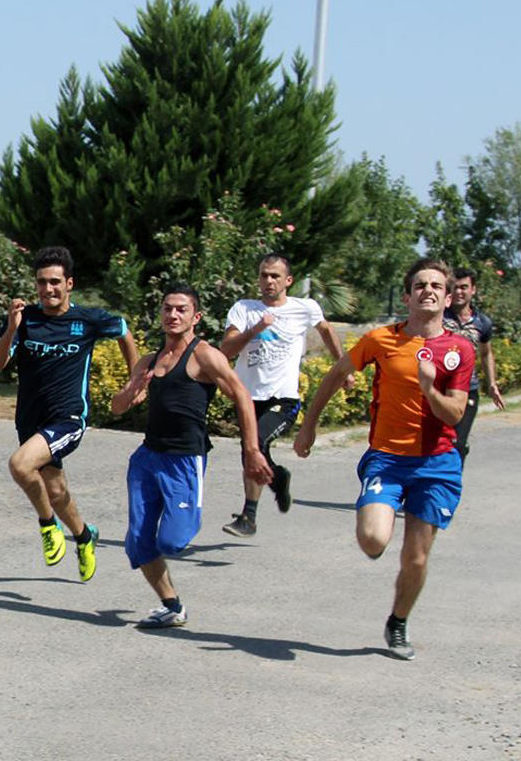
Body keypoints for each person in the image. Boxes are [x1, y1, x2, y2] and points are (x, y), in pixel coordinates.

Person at [293, 258, 474, 660]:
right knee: (373, 539)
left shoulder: (459, 349)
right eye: (421, 285)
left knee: (416, 557)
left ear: (447, 298)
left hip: (437, 464)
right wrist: (309, 425)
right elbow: (336, 374)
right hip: (387, 459)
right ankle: (378, 538)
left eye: (437, 286)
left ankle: (398, 621)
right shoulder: (380, 339)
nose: (429, 290)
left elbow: (455, 415)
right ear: (408, 295)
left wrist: (429, 387)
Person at [111, 285, 272, 628]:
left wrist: (252, 449)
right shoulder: (149, 361)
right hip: (146, 458)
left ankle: (184, 518)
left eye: (181, 310)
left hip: (184, 461)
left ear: (195, 317)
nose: (173, 315)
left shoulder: (205, 356)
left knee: (171, 540)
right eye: (167, 309)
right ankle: (172, 605)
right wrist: (131, 389)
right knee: (138, 544)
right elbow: (118, 407)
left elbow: (242, 396)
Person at [0, 246, 139, 582]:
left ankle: (48, 527)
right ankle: (85, 536)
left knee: (20, 465)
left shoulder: (87, 320)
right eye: (42, 282)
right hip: (30, 420)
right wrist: (12, 328)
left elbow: (123, 331)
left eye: (55, 282)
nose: (48, 290)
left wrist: (134, 381)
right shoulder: (24, 319)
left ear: (69, 283)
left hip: (68, 418)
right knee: (55, 491)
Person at [219, 253, 351, 536]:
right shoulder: (244, 309)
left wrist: (344, 369)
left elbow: (327, 332)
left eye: (275, 276)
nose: (268, 280)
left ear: (288, 281)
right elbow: (226, 350)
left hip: (283, 398)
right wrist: (256, 329)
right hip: (247, 398)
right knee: (249, 453)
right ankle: (278, 479)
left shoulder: (305, 308)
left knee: (258, 444)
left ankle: (248, 516)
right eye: (264, 275)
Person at [443, 267, 506, 462]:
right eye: (454, 287)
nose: (459, 292)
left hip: (467, 389)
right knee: (437, 442)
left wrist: (492, 384)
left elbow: (486, 353)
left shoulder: (482, 322)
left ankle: (451, 486)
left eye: (464, 287)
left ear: (473, 290)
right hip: (439, 388)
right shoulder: (439, 317)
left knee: (457, 443)